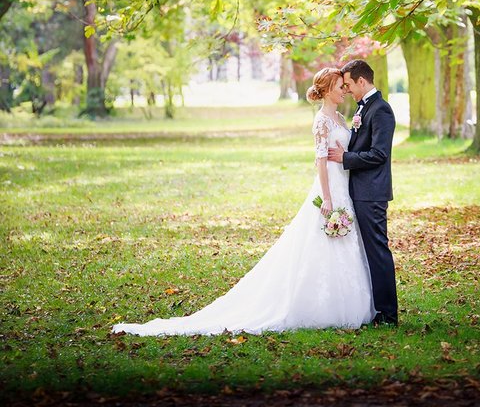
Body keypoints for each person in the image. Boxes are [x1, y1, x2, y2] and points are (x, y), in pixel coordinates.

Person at [111, 67, 374, 336]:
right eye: (341, 86)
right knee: (320, 240)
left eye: (346, 86)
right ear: (328, 89)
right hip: (330, 185)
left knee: (345, 241)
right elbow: (320, 160)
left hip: (345, 184)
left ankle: (347, 300)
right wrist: (327, 198)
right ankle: (319, 306)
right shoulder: (321, 121)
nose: (345, 90)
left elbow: (345, 151)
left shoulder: (342, 118)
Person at [328, 58, 398, 326]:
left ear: (362, 81)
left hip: (372, 192)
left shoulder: (381, 110)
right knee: (367, 252)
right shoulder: (363, 109)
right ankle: (374, 309)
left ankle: (388, 314)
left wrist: (346, 158)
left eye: (348, 85)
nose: (347, 90)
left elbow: (379, 154)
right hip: (359, 190)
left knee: (377, 251)